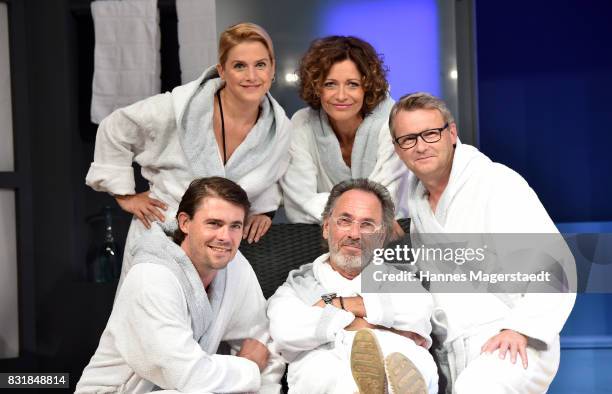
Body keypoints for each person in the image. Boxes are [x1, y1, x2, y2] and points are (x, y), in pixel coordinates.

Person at [388, 92, 576, 393]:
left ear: (451, 133)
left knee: (477, 387)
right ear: (397, 149)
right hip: (452, 346)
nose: (420, 146)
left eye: (430, 134)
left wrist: (520, 328)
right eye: (408, 139)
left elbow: (555, 267)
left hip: (512, 338)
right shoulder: (416, 201)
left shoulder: (497, 184)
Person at [85, 22, 291, 286]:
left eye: (260, 65)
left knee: (218, 324)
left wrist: (263, 210)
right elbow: (115, 127)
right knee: (153, 321)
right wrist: (124, 194)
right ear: (222, 71)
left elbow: (269, 173)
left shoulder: (278, 127)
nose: (251, 75)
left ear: (272, 69)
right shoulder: (178, 109)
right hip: (163, 236)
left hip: (221, 247)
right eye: (239, 65)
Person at [76, 177, 284, 393]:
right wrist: (248, 367)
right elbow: (186, 375)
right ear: (185, 222)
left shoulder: (235, 265)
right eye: (214, 223)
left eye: (235, 226)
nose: (225, 237)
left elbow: (262, 343)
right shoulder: (151, 278)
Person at [267, 179, 438, 394]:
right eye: (345, 221)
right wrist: (380, 324)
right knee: (329, 373)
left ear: (382, 235)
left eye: (367, 224)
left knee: (410, 362)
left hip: (398, 363)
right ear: (327, 227)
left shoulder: (402, 280)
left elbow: (418, 312)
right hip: (326, 376)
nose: (354, 234)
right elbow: (286, 331)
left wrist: (335, 306)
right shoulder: (297, 287)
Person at [280, 36, 408, 235]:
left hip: (394, 236)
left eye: (352, 84)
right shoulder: (302, 124)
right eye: (330, 84)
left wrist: (337, 215)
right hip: (322, 240)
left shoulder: (393, 122)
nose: (341, 95)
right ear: (316, 86)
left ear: (367, 86)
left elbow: (389, 200)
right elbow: (300, 201)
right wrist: (366, 216)